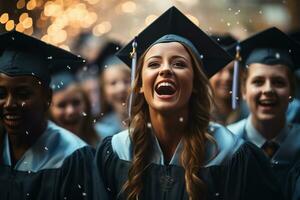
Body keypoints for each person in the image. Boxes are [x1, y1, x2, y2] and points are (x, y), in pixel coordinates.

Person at [95, 7, 282, 200]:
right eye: (153, 64)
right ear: (141, 84)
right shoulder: (116, 152)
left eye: (179, 64)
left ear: (195, 84)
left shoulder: (230, 153)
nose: (165, 69)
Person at [0, 31, 107, 200]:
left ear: (47, 98)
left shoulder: (73, 157)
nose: (9, 104)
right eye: (1, 94)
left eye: (23, 94)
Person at [227, 27, 300, 197]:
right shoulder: (227, 144)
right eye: (258, 81)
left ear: (291, 93)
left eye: (278, 82)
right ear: (244, 91)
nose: (268, 90)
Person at [49, 74, 100, 147]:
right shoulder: (42, 152)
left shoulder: (106, 137)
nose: (71, 111)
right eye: (62, 105)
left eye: (76, 103)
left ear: (86, 104)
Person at [94, 41, 131, 139]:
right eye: (113, 83)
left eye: (127, 81)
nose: (121, 88)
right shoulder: (100, 132)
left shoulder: (151, 122)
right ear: (104, 92)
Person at [210, 34, 249, 125]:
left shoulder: (249, 115)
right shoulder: (198, 116)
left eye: (232, 71)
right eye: (219, 70)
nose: (227, 77)